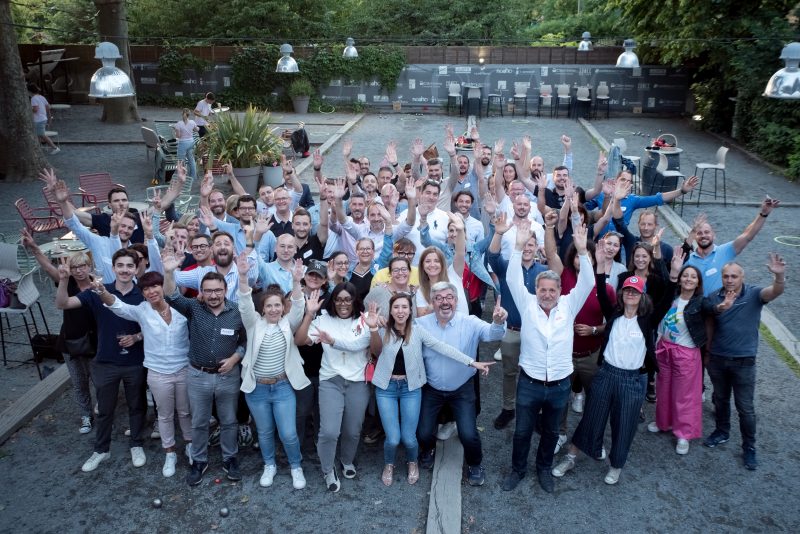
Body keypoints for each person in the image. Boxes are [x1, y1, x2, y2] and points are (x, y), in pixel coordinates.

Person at [552, 249, 680, 485]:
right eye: (628, 290)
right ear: (622, 294)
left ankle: (616, 465)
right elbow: (601, 291)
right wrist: (600, 267)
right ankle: (570, 457)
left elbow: (666, 300)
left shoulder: (648, 320)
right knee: (591, 417)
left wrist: (673, 276)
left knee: (624, 425)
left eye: (635, 291)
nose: (631, 294)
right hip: (606, 374)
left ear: (642, 295)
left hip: (632, 380)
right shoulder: (614, 315)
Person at [500, 221, 593, 493]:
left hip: (560, 383)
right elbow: (512, 279)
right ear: (536, 290)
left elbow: (587, 281)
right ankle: (518, 470)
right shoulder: (527, 303)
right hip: (529, 382)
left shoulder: (568, 305)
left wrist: (582, 250)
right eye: (543, 289)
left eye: (553, 290)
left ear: (559, 292)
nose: (548, 294)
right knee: (522, 431)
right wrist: (518, 247)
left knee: (552, 433)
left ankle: (543, 469)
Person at [367, 293, 493, 486]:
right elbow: (376, 351)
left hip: (410, 387)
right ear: (391, 311)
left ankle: (412, 462)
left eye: (404, 307)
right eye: (396, 307)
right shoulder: (384, 329)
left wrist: (471, 362)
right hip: (387, 388)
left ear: (411, 311)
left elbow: (442, 347)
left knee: (410, 438)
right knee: (392, 439)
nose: (400, 311)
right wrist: (373, 329)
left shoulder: (417, 331)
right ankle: (389, 464)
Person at [55, 249, 147, 473]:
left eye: (129, 266)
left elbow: (154, 327)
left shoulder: (143, 294)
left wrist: (136, 337)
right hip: (106, 360)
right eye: (120, 265)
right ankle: (101, 450)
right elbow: (63, 304)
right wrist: (64, 279)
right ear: (113, 268)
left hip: (135, 360)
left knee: (137, 405)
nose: (125, 270)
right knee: (105, 409)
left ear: (135, 269)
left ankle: (136, 444)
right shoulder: (98, 291)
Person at [163, 254, 247, 486]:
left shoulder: (237, 312)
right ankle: (199, 460)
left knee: (229, 421)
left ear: (224, 289)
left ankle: (230, 458)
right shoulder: (193, 308)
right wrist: (169, 273)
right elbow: (170, 295)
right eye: (208, 291)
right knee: (199, 421)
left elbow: (247, 341)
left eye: (217, 290)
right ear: (201, 291)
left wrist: (235, 358)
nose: (212, 295)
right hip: (198, 375)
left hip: (228, 376)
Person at [98, 271, 192, 478]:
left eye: (154, 286)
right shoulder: (142, 311)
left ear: (163, 287)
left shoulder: (181, 308)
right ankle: (170, 453)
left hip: (184, 369)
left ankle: (190, 446)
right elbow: (117, 306)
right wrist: (102, 291)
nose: (151, 291)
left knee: (185, 412)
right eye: (146, 289)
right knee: (165, 415)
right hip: (158, 373)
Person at [416, 281, 506, 486]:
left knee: (468, 434)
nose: (444, 302)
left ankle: (475, 464)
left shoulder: (471, 322)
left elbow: (493, 334)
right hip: (432, 388)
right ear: (432, 302)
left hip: (462, 389)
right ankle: (428, 450)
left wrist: (498, 322)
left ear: (456, 301)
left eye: (449, 297)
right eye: (439, 298)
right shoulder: (421, 324)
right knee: (423, 431)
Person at [702, 255, 786, 470]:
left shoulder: (755, 294)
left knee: (745, 408)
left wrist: (779, 276)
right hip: (718, 359)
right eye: (726, 276)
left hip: (744, 361)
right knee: (720, 399)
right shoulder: (714, 298)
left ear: (742, 277)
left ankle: (749, 446)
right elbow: (710, 324)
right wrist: (708, 353)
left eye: (733, 276)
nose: (729, 280)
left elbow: (775, 291)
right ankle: (722, 431)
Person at [236, 254, 310, 490]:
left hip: (282, 387)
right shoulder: (253, 323)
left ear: (282, 307)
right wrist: (243, 275)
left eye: (278, 305)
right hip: (257, 388)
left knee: (288, 433)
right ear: (263, 308)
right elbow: (245, 301)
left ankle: (295, 466)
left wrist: (297, 281)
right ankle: (269, 465)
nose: (274, 309)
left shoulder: (288, 323)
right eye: (269, 305)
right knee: (265, 432)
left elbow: (299, 305)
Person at [294, 282, 372, 493]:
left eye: (347, 299)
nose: (343, 304)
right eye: (338, 299)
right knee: (329, 431)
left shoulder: (365, 321)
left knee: (353, 429)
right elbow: (300, 340)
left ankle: (347, 460)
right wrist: (309, 314)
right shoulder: (323, 320)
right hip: (331, 380)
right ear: (333, 301)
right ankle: (328, 469)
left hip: (357, 381)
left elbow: (359, 346)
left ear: (355, 300)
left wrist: (334, 341)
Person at [23, 233, 96, 434]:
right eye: (75, 267)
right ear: (70, 270)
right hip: (71, 342)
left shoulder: (98, 285)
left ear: (89, 266)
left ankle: (103, 410)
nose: (79, 270)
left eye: (83, 266)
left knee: (99, 381)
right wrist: (34, 247)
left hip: (95, 342)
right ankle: (86, 415)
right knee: (79, 382)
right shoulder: (67, 282)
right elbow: (48, 267)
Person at [487, 214, 547, 431]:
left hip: (535, 332)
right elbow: (492, 256)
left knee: (536, 374)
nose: (528, 248)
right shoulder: (507, 267)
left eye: (531, 244)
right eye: (524, 244)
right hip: (511, 331)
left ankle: (537, 412)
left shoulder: (543, 272)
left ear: (535, 246)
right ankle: (508, 408)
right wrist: (498, 232)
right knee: (509, 373)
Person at [648, 256, 707, 455]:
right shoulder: (671, 296)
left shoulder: (700, 303)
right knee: (663, 388)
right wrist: (672, 268)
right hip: (664, 348)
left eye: (693, 277)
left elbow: (715, 309)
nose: (689, 279)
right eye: (685, 276)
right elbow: (664, 277)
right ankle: (663, 422)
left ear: (698, 282)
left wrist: (723, 306)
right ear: (680, 279)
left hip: (686, 353)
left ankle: (683, 433)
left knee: (685, 395)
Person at [685, 197, 781, 296]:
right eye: (699, 233)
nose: (703, 235)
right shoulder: (688, 260)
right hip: (697, 308)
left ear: (714, 235)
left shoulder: (725, 251)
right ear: (694, 237)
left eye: (707, 232)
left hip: (724, 307)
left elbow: (747, 235)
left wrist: (763, 214)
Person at [29, 83, 59, 154]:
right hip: (43, 118)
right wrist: (49, 117)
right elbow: (48, 107)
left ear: (29, 91)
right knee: (38, 135)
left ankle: (55, 147)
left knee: (42, 135)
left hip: (38, 119)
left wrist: (29, 109)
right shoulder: (42, 97)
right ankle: (38, 149)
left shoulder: (33, 98)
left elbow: (35, 109)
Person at [172, 109, 198, 179]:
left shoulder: (178, 124)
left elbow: (178, 136)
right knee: (191, 160)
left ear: (182, 114)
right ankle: (193, 177)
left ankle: (181, 176)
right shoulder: (192, 122)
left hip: (183, 143)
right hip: (191, 143)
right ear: (189, 115)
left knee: (181, 161)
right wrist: (196, 127)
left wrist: (174, 130)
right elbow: (196, 130)